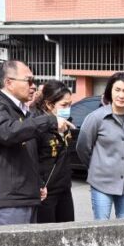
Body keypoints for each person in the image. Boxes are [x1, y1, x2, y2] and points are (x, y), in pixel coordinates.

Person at [0, 60, 70, 226]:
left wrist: (38, 183)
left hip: (26, 197)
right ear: (9, 82)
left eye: (33, 81)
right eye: (28, 81)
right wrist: (49, 121)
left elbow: (28, 155)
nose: (33, 86)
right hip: (8, 201)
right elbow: (8, 133)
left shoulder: (22, 111)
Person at [76, 72, 124, 220]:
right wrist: (97, 166)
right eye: (117, 90)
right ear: (110, 91)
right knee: (102, 227)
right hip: (101, 183)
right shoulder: (96, 118)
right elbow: (82, 147)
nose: (121, 95)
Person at [33, 80, 76, 223]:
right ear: (49, 104)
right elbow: (30, 159)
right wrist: (40, 184)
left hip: (64, 188)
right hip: (45, 191)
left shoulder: (66, 124)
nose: (68, 109)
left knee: (67, 230)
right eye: (64, 105)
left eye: (70, 104)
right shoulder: (37, 125)